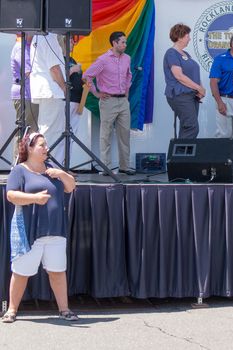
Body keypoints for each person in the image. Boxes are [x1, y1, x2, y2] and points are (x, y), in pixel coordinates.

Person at [2, 132, 78, 323]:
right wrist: (35, 199)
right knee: (21, 272)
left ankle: (65, 309)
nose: (47, 149)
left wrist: (61, 174)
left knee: (57, 271)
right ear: (29, 148)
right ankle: (11, 310)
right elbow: (11, 195)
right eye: (42, 145)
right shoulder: (19, 170)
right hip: (29, 232)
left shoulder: (52, 169)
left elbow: (70, 187)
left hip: (55, 231)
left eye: (46, 145)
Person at [83, 31, 135, 175]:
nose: (125, 44)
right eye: (123, 42)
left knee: (124, 134)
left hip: (123, 102)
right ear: (114, 43)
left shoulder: (127, 58)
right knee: (105, 135)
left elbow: (128, 76)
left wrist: (126, 92)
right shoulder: (103, 60)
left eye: (125, 42)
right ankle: (106, 167)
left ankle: (124, 166)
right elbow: (87, 76)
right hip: (108, 101)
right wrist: (96, 93)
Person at [210, 33, 233, 174]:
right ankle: (219, 167)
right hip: (225, 99)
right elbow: (213, 82)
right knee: (224, 134)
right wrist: (219, 102)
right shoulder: (220, 59)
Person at [164, 23, 206, 139]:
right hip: (180, 94)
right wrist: (199, 88)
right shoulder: (171, 53)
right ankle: (183, 156)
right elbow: (179, 76)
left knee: (187, 126)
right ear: (180, 37)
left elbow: (193, 74)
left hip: (191, 95)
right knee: (191, 127)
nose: (190, 39)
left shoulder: (186, 54)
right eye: (188, 36)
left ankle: (183, 156)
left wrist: (200, 89)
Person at [30, 33, 66, 165]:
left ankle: (46, 165)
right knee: (52, 132)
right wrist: (64, 87)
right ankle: (48, 167)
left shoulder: (38, 37)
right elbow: (54, 69)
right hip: (52, 91)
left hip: (47, 92)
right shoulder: (49, 37)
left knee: (49, 129)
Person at [11, 34, 39, 161]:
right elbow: (29, 71)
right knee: (25, 130)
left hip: (31, 93)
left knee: (31, 130)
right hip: (25, 94)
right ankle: (18, 163)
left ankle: (26, 162)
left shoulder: (29, 47)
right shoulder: (21, 47)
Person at [57, 35, 84, 152]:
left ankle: (67, 163)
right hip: (66, 101)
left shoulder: (72, 60)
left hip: (77, 101)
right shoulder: (58, 59)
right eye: (70, 41)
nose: (73, 43)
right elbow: (59, 77)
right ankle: (59, 164)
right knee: (62, 133)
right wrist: (74, 69)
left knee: (72, 134)